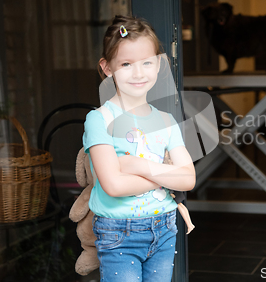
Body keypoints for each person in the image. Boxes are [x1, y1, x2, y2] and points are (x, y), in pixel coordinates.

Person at [83, 15, 196, 281]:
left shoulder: (166, 120)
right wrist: (166, 176)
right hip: (118, 232)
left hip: (165, 226)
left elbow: (188, 178)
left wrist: (138, 167)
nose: (138, 72)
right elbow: (113, 185)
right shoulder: (100, 119)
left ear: (159, 65)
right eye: (126, 64)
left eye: (147, 62)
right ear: (107, 68)